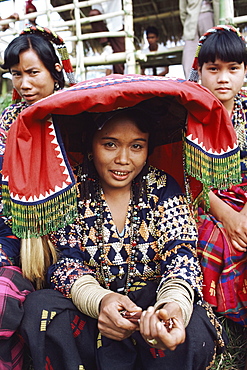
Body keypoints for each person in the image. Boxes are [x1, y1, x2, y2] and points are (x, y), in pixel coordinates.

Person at [2, 74, 236, 369]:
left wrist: (171, 306)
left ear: (148, 148)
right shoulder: (73, 190)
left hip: (152, 308)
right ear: (90, 145)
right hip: (93, 313)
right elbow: (66, 264)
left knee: (193, 325)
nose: (124, 159)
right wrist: (101, 301)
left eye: (136, 146)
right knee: (41, 308)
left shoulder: (163, 187)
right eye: (110, 144)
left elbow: (181, 256)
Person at [0, 25, 75, 370]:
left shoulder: (77, 115)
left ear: (55, 71)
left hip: (71, 232)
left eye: (33, 73)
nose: (24, 84)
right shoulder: (6, 122)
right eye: (16, 74)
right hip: (14, 229)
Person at [188, 25, 247, 327]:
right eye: (214, 68)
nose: (224, 78)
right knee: (209, 239)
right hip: (204, 201)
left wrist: (244, 215)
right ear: (199, 70)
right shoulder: (188, 113)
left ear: (244, 69)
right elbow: (185, 176)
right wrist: (228, 216)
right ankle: (219, 313)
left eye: (233, 68)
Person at [179, 0, 219, 79]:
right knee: (189, 54)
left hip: (209, 16)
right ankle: (192, 82)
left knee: (212, 50)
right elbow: (183, 11)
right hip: (191, 21)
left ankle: (211, 79)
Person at [89, 0, 125, 74]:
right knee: (93, 14)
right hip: (103, 28)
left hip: (117, 25)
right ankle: (106, 45)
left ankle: (119, 81)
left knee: (119, 60)